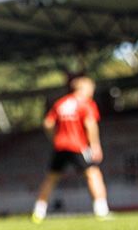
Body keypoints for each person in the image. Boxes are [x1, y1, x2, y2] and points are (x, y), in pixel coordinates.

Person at [32, 77, 110, 222]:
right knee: (93, 174)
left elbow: (48, 123)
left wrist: (55, 137)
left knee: (51, 178)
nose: (92, 92)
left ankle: (38, 211)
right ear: (84, 88)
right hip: (78, 146)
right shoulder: (86, 103)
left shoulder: (60, 103)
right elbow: (90, 124)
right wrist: (95, 145)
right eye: (91, 89)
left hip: (60, 146)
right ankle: (101, 210)